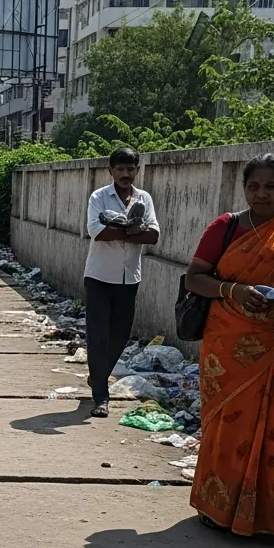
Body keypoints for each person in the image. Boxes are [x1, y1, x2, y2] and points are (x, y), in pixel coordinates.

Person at [184, 153, 274, 536]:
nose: (261, 194)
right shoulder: (226, 227)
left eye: (271, 186)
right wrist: (232, 290)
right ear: (244, 188)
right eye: (253, 186)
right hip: (229, 346)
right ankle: (219, 508)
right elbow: (194, 278)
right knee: (230, 426)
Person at [84, 147, 160, 417]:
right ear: (111, 171)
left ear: (137, 170)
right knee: (98, 335)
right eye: (120, 169)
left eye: (130, 169)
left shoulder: (144, 198)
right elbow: (97, 232)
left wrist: (120, 230)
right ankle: (101, 397)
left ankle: (99, 374)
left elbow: (153, 235)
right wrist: (132, 230)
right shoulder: (99, 197)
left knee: (120, 334)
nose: (125, 174)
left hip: (129, 279)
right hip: (99, 276)